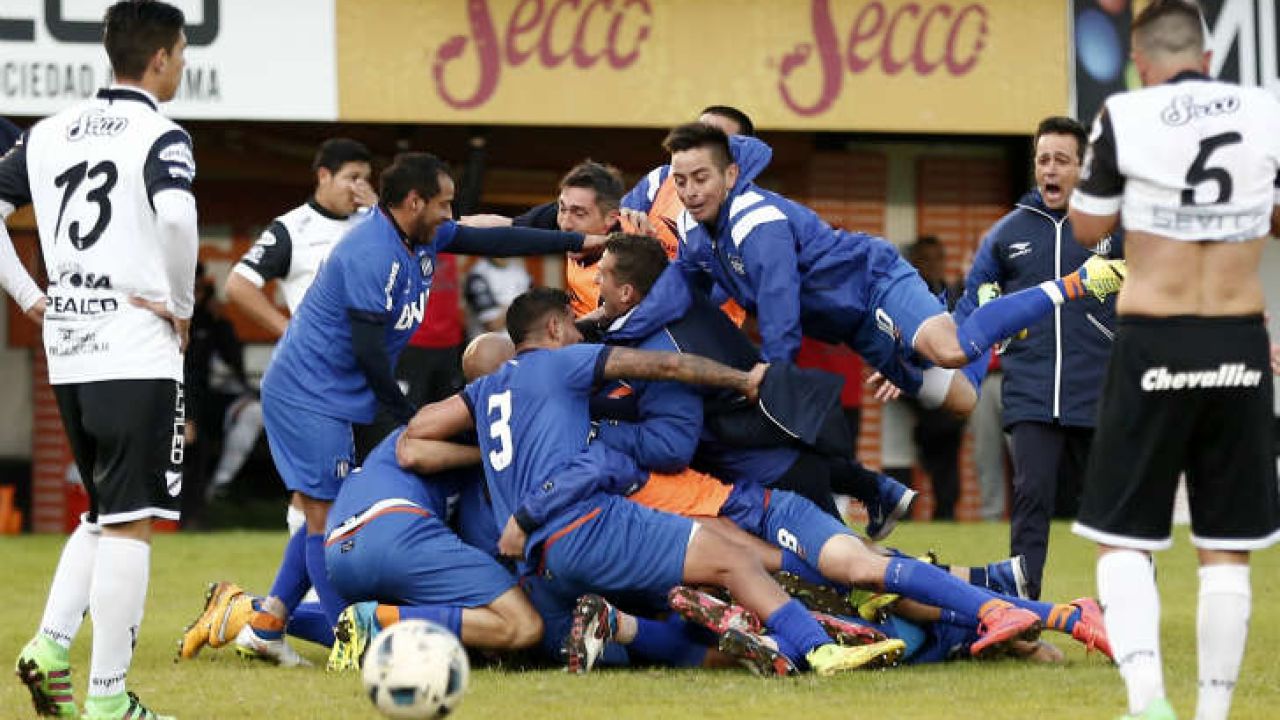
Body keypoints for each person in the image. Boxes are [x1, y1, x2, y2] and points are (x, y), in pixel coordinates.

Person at [403, 288, 911, 676]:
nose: (583, 336)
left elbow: (419, 430)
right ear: (556, 328)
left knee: (622, 650)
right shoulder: (562, 362)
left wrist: (483, 445)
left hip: (538, 559)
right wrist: (742, 380)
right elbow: (667, 363)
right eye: (575, 329)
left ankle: (638, 627)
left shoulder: (487, 391)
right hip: (585, 523)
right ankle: (820, 649)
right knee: (733, 559)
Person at [236, 153, 607, 666]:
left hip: (348, 393)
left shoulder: (422, 235)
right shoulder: (371, 252)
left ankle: (267, 621)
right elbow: (368, 352)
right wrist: (405, 414)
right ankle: (358, 646)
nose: (451, 213)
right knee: (324, 517)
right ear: (414, 203)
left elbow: (495, 237)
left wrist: (576, 240)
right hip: (310, 393)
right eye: (445, 203)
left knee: (333, 511)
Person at [1068, 3, 1280, 719]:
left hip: (1154, 337)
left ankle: (1149, 702)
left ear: (1143, 61)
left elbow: (1091, 225)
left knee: (1120, 537)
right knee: (1227, 546)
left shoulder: (1124, 115)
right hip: (1239, 339)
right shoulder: (1266, 110)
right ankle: (1214, 715)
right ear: (1209, 56)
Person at [1, 3, 195, 718]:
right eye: (181, 52)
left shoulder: (48, 133)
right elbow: (176, 218)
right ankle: (110, 701)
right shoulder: (160, 133)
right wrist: (181, 304)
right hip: (133, 345)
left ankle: (51, 647)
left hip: (70, 345)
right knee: (131, 521)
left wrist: (29, 296)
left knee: (104, 511)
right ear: (162, 58)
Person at [660, 123, 1129, 417]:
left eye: (701, 178)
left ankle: (1074, 283)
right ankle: (976, 317)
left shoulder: (755, 223)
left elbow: (781, 314)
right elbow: (681, 292)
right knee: (960, 401)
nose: (690, 190)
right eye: (680, 181)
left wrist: (775, 377)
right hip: (855, 325)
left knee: (949, 349)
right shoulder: (697, 231)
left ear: (731, 175)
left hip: (876, 283)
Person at [958, 115, 1122, 596]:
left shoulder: (1116, 227)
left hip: (1101, 392)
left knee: (1112, 504)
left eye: (1061, 160)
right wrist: (917, 362)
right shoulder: (1005, 235)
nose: (1050, 169)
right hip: (1029, 393)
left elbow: (1160, 285)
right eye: (1042, 159)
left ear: (1083, 168)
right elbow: (970, 310)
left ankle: (1129, 603)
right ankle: (1022, 608)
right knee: (1030, 496)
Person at [510, 159, 624, 316]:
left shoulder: (624, 268)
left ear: (611, 218)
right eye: (562, 209)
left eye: (579, 213)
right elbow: (507, 224)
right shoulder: (563, 222)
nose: (565, 224)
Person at [906, 236, 966, 520]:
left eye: (936, 258)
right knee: (907, 454)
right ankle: (904, 515)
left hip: (950, 384)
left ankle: (946, 511)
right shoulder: (907, 294)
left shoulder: (955, 296)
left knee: (947, 451)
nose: (931, 265)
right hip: (909, 385)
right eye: (924, 259)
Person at [464, 255, 531, 333]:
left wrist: (506, 308)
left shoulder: (520, 271)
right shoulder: (478, 274)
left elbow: (533, 315)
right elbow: (493, 324)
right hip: (489, 343)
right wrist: (520, 306)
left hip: (517, 342)